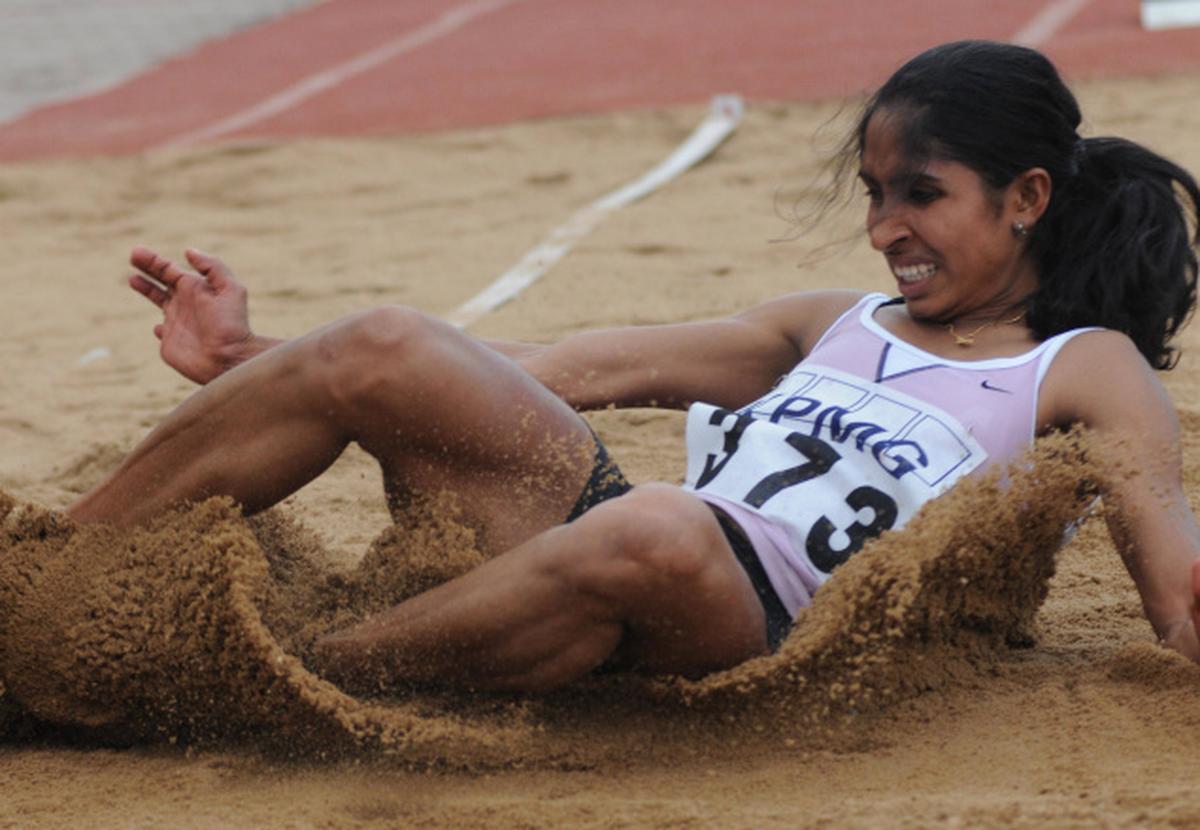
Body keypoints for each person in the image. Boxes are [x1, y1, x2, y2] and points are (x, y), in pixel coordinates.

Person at [67, 40, 1200, 694]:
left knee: (653, 524)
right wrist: (255, 357)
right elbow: (556, 368)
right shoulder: (832, 320)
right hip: (618, 549)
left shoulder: (1081, 367)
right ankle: (50, 590)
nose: (883, 230)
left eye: (921, 195)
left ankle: (258, 679)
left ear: (1027, 198)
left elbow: (1178, 587)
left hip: (767, 629)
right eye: (874, 194)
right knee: (393, 340)